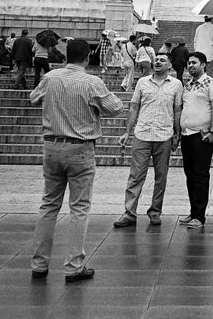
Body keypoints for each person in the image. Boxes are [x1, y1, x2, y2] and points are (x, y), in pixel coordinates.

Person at [30, 39, 124, 281]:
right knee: (79, 207)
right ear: (88, 58)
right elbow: (115, 108)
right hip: (80, 147)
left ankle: (39, 264)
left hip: (51, 145)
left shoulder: (51, 77)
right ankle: (73, 265)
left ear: (65, 56)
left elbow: (33, 97)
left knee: (48, 204)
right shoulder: (92, 82)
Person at [114, 54, 183, 228]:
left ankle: (155, 211)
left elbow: (177, 111)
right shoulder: (142, 82)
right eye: (156, 59)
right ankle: (129, 212)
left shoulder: (176, 85)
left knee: (161, 177)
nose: (158, 62)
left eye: (162, 60)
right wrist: (127, 132)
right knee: (136, 176)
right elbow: (134, 106)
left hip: (164, 135)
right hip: (142, 134)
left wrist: (177, 134)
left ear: (169, 65)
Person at [178, 51, 213, 229]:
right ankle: (193, 211)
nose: (190, 66)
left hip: (202, 135)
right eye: (189, 63)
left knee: (201, 175)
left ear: (203, 64)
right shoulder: (188, 85)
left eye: (194, 63)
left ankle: (200, 215)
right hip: (186, 134)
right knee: (190, 175)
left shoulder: (211, 83)